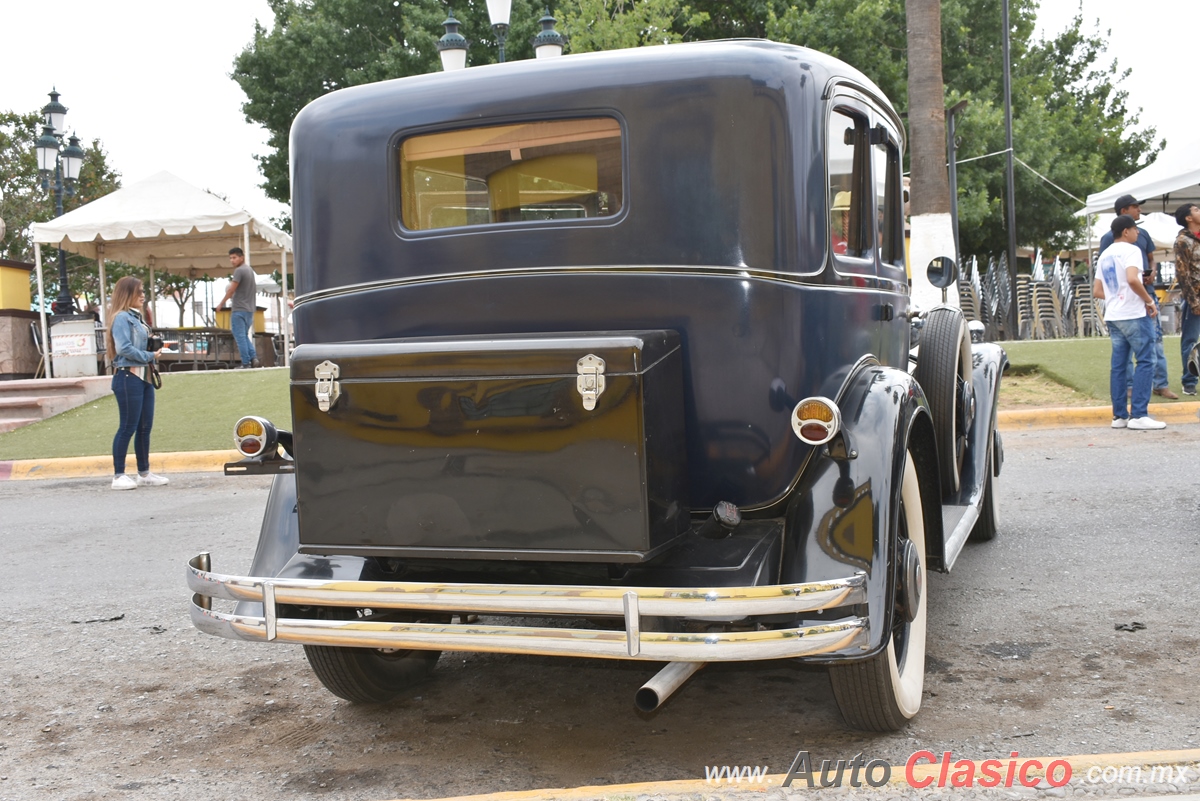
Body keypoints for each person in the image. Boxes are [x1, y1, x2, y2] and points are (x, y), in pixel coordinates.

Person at [1098, 194, 1177, 398]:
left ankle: (1160, 384)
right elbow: (1122, 276)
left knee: (1150, 344)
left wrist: (1152, 272)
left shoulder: (1142, 235)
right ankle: (1136, 398)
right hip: (1134, 302)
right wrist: (1129, 295)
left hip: (1139, 296)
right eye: (1135, 207)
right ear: (1124, 211)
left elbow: (1151, 260)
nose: (1139, 210)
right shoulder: (1113, 241)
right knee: (1140, 352)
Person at [1094, 215, 1166, 430]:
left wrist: (1117, 296)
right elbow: (1133, 279)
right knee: (1145, 360)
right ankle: (1139, 414)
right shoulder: (1132, 251)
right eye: (1135, 230)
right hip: (1134, 313)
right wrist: (1148, 300)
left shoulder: (1105, 254)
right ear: (1126, 231)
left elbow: (1098, 290)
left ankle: (1119, 416)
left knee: (1119, 365)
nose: (1138, 233)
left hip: (1114, 314)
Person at [106, 276, 169, 490]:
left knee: (144, 427)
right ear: (127, 294)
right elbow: (123, 348)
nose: (143, 295)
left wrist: (150, 351)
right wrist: (150, 355)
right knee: (128, 426)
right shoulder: (122, 317)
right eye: (139, 291)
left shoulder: (136, 317)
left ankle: (144, 472)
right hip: (127, 376)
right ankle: (118, 475)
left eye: (143, 291)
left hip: (144, 377)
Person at [215, 247, 259, 368]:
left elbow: (231, 290)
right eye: (230, 258)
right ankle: (253, 357)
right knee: (244, 336)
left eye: (234, 257)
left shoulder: (239, 271)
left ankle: (246, 363)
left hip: (239, 309)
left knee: (240, 337)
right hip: (249, 310)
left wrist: (221, 303)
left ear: (241, 257)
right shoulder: (249, 270)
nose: (232, 260)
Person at [1173, 203, 1200, 395]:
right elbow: (1183, 274)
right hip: (1195, 297)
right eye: (1196, 210)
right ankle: (1189, 380)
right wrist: (1194, 301)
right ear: (1188, 218)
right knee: (1190, 339)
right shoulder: (1183, 241)